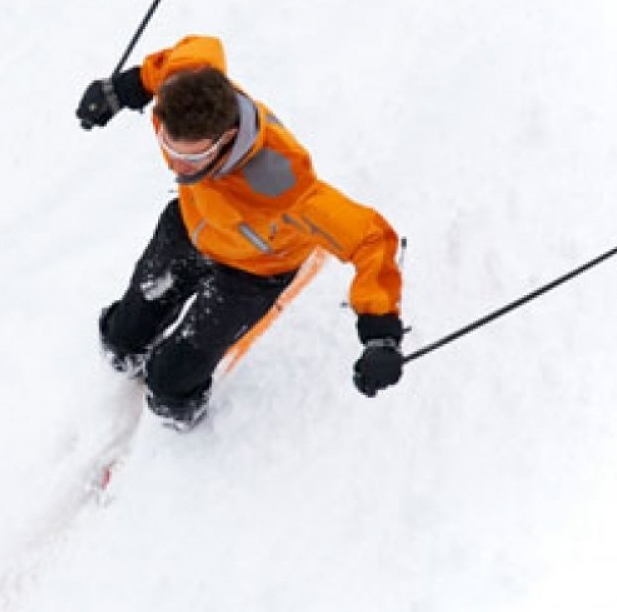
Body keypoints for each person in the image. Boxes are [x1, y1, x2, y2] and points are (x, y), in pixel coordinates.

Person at [76, 35, 405, 429]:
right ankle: (128, 350)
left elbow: (371, 238)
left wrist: (381, 335)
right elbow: (195, 49)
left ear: (227, 139)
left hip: (252, 269)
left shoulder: (283, 184)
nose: (177, 166)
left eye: (193, 157)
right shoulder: (180, 91)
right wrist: (122, 89)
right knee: (122, 337)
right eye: (170, 148)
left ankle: (179, 410)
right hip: (192, 223)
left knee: (169, 379)